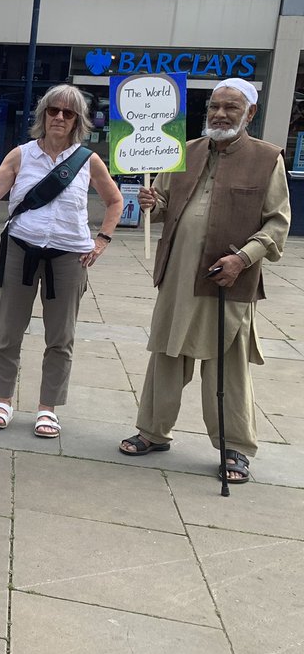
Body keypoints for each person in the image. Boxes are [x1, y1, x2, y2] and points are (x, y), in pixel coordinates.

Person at [120, 78, 290, 484]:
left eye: (231, 107)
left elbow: (278, 222)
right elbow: (161, 204)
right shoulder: (184, 151)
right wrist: (151, 204)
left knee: (226, 367)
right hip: (177, 278)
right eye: (214, 106)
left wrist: (242, 258)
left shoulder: (267, 159)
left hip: (227, 281)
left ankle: (235, 448)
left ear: (250, 113)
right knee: (166, 355)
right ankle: (153, 432)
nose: (219, 114)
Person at [0, 85, 122, 437]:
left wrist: (102, 239)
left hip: (68, 257)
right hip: (20, 249)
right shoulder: (21, 156)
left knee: (60, 337)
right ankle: (3, 399)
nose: (59, 118)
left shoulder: (88, 160)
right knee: (8, 332)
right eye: (53, 110)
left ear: (78, 120)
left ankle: (47, 408)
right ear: (43, 115)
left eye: (68, 113)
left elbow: (114, 201)